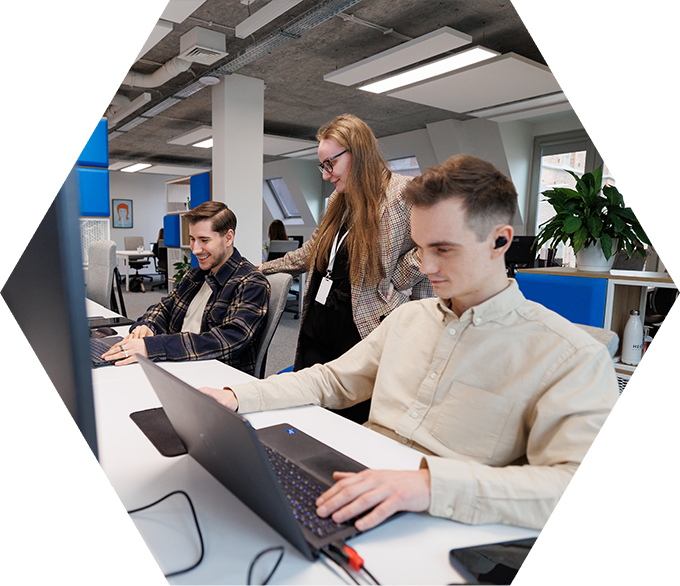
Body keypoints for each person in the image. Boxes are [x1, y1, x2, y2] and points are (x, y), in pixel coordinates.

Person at [198, 155, 617, 531]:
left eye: (443, 249)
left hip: (441, 522)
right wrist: (236, 396)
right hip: (356, 480)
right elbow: (330, 381)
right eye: (419, 248)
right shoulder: (407, 319)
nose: (426, 267)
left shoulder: (570, 356)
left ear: (501, 241)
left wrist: (429, 486)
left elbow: (583, 492)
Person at [258, 114, 433, 422]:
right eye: (322, 166)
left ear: (358, 152)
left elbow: (430, 247)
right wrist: (263, 269)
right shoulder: (337, 202)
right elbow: (311, 252)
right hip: (320, 320)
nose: (326, 175)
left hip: (364, 325)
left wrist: (397, 278)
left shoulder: (403, 195)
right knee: (309, 408)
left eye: (330, 164)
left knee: (351, 418)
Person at [102, 201, 270, 376]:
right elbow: (164, 308)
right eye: (192, 239)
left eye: (204, 240)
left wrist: (153, 347)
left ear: (228, 238)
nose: (195, 249)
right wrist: (148, 326)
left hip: (214, 376)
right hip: (178, 363)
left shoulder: (250, 282)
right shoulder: (195, 276)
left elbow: (227, 341)